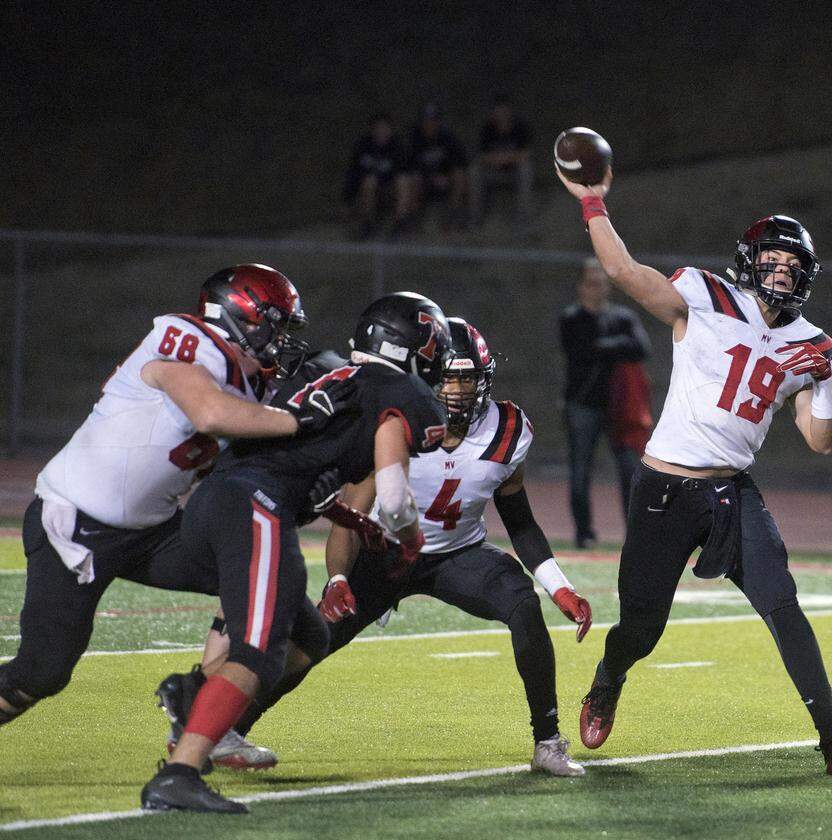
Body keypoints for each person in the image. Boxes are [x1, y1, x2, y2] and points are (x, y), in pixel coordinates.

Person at [557, 166, 832, 776]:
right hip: (664, 488)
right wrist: (593, 202)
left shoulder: (817, 346)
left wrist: (824, 382)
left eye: (791, 265)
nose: (781, 273)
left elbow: (820, 441)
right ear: (750, 262)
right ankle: (608, 677)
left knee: (783, 604)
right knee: (643, 628)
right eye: (771, 261)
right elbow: (623, 272)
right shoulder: (705, 296)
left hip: (731, 490)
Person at [212, 318, 594, 776]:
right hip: (384, 554)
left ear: (484, 379)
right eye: (448, 376)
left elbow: (520, 521)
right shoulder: (401, 418)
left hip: (459, 554)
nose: (456, 390)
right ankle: (227, 731)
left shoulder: (509, 429)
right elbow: (355, 509)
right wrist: (336, 579)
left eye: (467, 378)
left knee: (522, 604)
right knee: (310, 642)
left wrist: (560, 587)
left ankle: (547, 742)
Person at [0, 265, 350, 731]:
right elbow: (208, 413)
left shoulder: (251, 390)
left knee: (298, 620)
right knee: (42, 671)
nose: (281, 339)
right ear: (237, 317)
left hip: (152, 532)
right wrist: (297, 420)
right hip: (76, 523)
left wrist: (312, 486)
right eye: (275, 325)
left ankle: (201, 718)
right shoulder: (188, 341)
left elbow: (245, 481)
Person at [142, 292, 452, 814]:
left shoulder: (324, 368)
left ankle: (200, 703)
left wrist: (353, 519)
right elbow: (395, 496)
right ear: (410, 349)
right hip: (256, 505)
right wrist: (409, 542)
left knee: (307, 633)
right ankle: (182, 765)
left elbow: (305, 460)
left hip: (216, 498)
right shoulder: (401, 391)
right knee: (260, 646)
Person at [559, 259, 652, 547]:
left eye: (602, 282)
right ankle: (584, 534)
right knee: (580, 471)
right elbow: (579, 351)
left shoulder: (623, 317)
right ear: (581, 286)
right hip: (582, 405)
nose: (597, 289)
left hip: (621, 407)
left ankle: (634, 534)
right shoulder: (571, 318)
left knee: (630, 470)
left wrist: (603, 346)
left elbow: (641, 348)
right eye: (591, 283)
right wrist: (614, 346)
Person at [342, 112, 415, 239]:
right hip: (367, 192)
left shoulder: (398, 147)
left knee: (403, 180)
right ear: (372, 129)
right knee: (369, 181)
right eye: (378, 128)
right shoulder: (362, 146)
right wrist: (348, 200)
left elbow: (405, 173)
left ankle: (400, 224)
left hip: (391, 191)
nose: (381, 132)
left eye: (385, 128)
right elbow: (353, 173)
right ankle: (367, 224)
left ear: (391, 130)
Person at [469, 94, 534, 225]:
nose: (502, 114)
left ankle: (522, 217)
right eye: (498, 111)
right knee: (474, 171)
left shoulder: (520, 128)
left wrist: (505, 159)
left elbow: (525, 154)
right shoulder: (487, 129)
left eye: (504, 111)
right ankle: (475, 217)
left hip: (513, 171)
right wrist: (496, 160)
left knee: (526, 169)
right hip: (493, 171)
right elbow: (482, 155)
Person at [407, 102, 470, 230]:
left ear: (439, 122)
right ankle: (412, 219)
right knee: (414, 178)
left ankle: (454, 216)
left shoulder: (448, 137)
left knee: (460, 175)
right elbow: (410, 164)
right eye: (426, 120)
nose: (430, 124)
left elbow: (461, 161)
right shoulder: (414, 138)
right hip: (423, 180)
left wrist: (445, 176)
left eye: (433, 120)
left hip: (445, 179)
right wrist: (430, 177)